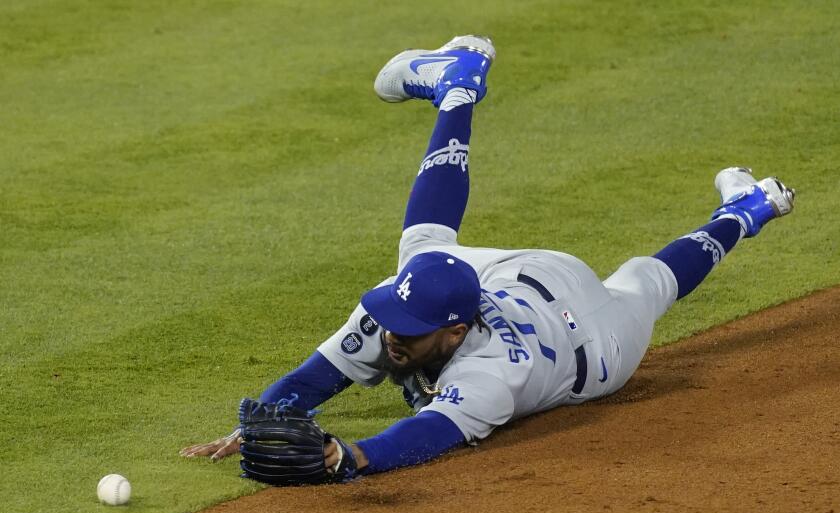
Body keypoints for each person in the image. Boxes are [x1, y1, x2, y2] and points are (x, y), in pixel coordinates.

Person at [180, 35, 795, 476]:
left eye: (411, 333)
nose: (392, 336)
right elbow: (322, 372)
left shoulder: (494, 373)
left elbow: (424, 434)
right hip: (515, 275)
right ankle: (458, 87)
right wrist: (254, 423)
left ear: (452, 331)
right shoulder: (402, 311)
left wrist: (346, 457)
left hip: (591, 343)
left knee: (646, 281)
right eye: (395, 321)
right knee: (421, 250)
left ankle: (744, 211)